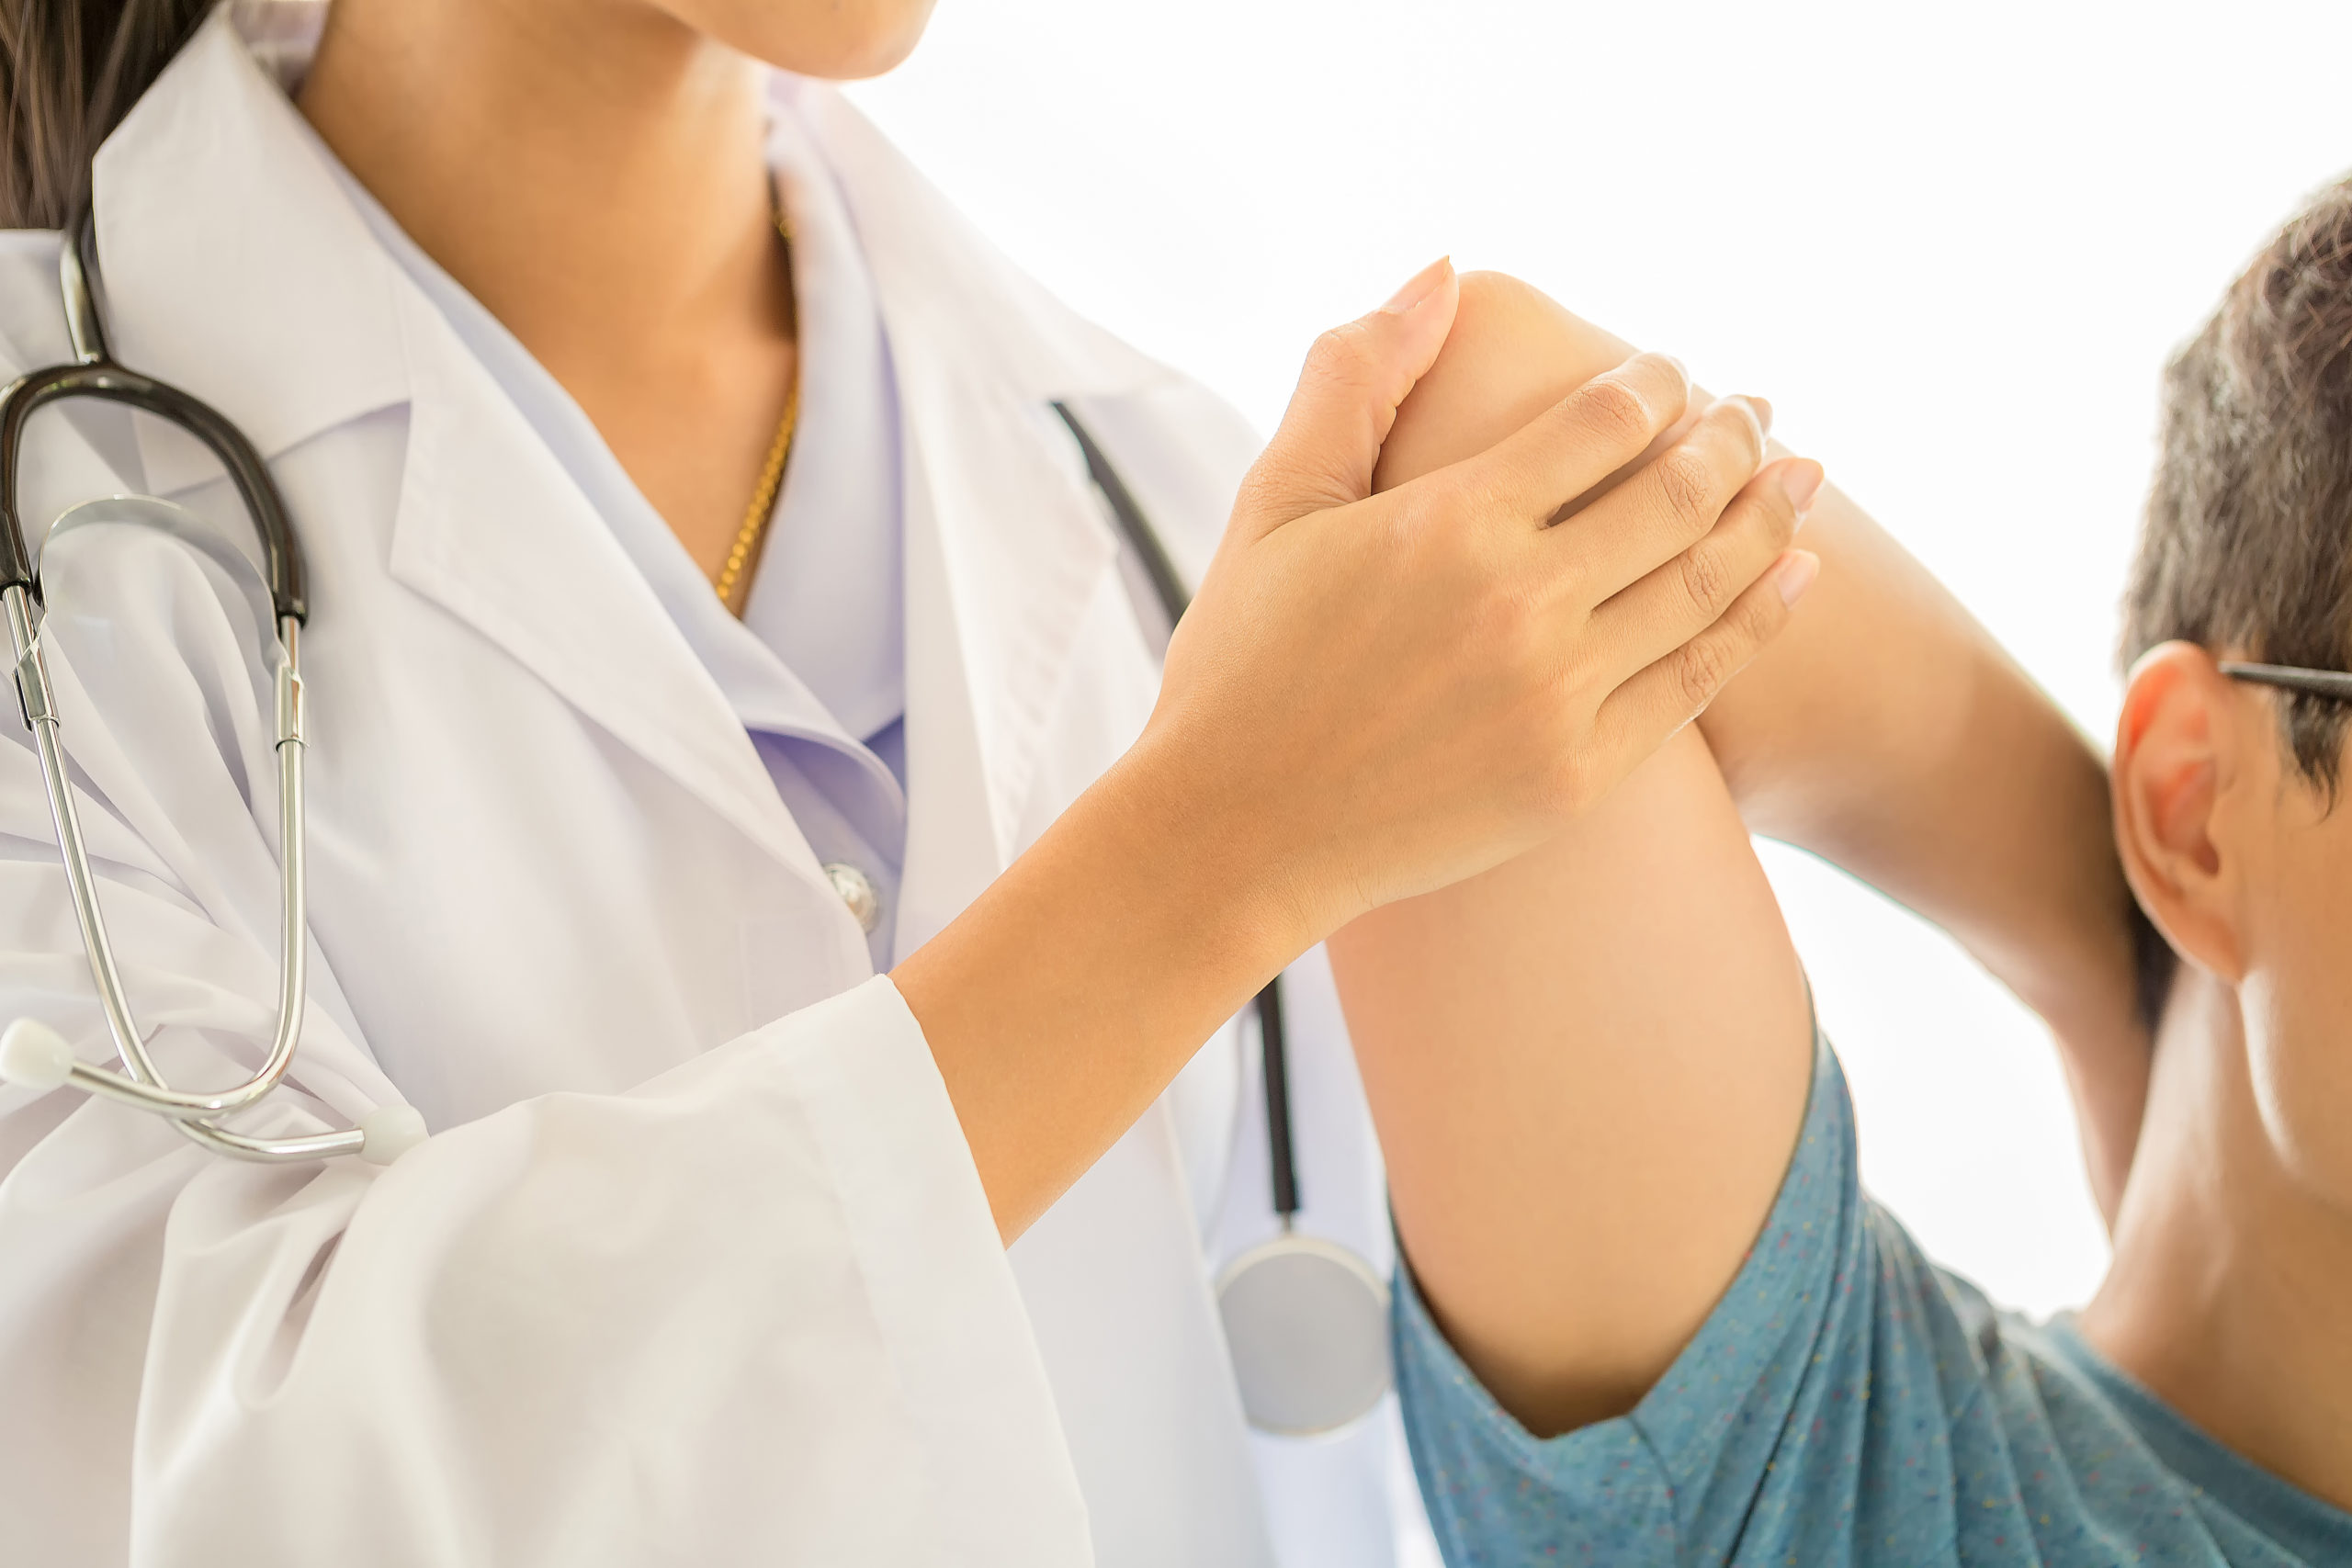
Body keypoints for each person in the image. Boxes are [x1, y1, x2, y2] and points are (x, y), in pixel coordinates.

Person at [0, 1, 1820, 1562]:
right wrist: (1207, 856)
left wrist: (2084, 961)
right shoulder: (67, 531)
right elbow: (193, 1486)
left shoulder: (1158, 491)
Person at [1334, 192, 2352, 1561]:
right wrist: (2109, 950)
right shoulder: (1834, 1499)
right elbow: (1494, 447)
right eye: (2196, 820)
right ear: (2199, 806)